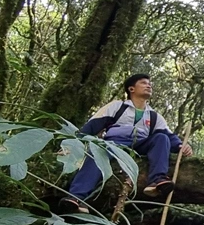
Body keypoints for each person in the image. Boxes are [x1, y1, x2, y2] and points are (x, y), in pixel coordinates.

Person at [60, 74, 192, 213]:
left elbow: (168, 136)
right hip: (113, 144)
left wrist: (180, 145)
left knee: (161, 138)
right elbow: (92, 126)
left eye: (149, 84)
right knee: (97, 153)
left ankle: (157, 180)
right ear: (131, 89)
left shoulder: (153, 115)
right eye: (143, 83)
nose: (149, 86)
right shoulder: (117, 107)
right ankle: (77, 197)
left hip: (140, 145)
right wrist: (71, 147)